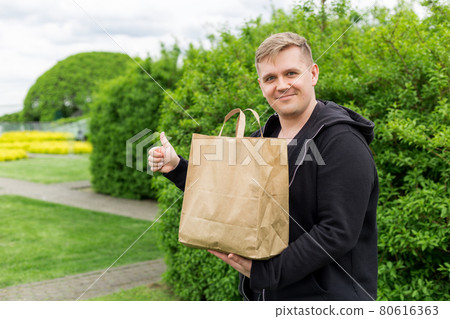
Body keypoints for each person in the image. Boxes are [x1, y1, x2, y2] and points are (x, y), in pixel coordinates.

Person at [148, 32, 378, 301]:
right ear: (261, 85)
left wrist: (267, 272)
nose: (281, 85)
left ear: (313, 74)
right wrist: (176, 167)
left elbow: (337, 232)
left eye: (291, 73)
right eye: (270, 78)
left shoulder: (341, 142)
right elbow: (225, 193)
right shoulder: (262, 140)